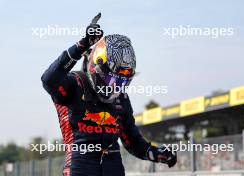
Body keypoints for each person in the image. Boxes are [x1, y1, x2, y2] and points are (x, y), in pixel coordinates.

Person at [41, 13, 177, 176]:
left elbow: (133, 142)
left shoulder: (122, 99)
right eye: (113, 78)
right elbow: (49, 79)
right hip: (80, 169)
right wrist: (82, 44)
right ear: (96, 68)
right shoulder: (74, 85)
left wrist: (156, 153)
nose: (116, 86)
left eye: (122, 81)